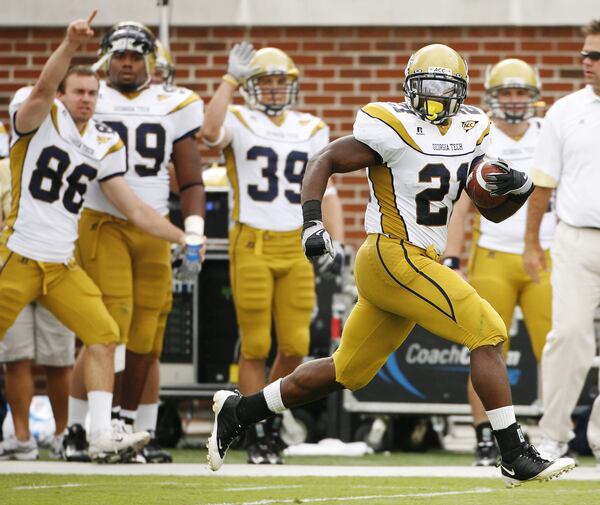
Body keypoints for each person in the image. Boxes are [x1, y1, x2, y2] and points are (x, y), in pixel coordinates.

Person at [207, 43, 576, 486]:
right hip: (392, 253)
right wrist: (311, 222)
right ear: (409, 87)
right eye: (428, 85)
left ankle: (239, 411)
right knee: (489, 329)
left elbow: (489, 209)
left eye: (445, 86)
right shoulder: (391, 125)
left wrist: (515, 191)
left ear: (460, 91)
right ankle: (514, 453)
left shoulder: (474, 129)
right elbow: (323, 159)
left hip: (415, 259)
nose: (436, 96)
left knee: (347, 371)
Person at [0, 11, 195, 463]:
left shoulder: (104, 143)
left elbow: (134, 209)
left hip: (61, 265)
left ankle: (101, 433)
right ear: (62, 95)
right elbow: (43, 89)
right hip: (19, 255)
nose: (86, 99)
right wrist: (69, 45)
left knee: (105, 334)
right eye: (79, 92)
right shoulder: (39, 117)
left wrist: (181, 237)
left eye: (92, 93)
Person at [62, 21, 205, 463]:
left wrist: (195, 228)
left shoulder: (173, 103)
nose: (127, 62)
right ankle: (77, 429)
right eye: (120, 55)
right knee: (108, 327)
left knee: (147, 331)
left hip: (155, 225)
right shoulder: (88, 96)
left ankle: (124, 425)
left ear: (151, 60)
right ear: (107, 59)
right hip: (102, 221)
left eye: (135, 55)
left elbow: (191, 175)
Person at [201, 42, 344, 464]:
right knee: (256, 343)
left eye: (282, 81)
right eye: (266, 82)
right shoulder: (239, 118)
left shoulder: (311, 126)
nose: (276, 89)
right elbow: (209, 134)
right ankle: (254, 433)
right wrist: (229, 80)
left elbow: (328, 187)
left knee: (297, 344)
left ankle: (268, 417)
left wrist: (337, 237)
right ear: (251, 88)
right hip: (252, 241)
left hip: (296, 243)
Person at [445, 59, 556, 466]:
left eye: (520, 92)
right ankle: (482, 437)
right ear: (493, 96)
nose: (513, 100)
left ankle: (554, 434)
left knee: (555, 349)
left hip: (545, 254)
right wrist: (453, 258)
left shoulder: (549, 132)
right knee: (486, 347)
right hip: (491, 254)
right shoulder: (481, 135)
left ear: (533, 96)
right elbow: (459, 206)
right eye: (506, 92)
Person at [524, 18, 600, 464]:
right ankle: (552, 436)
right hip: (574, 238)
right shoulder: (564, 111)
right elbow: (542, 185)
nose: (585, 62)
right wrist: (532, 243)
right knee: (568, 337)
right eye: (585, 54)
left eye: (595, 56)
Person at [0, 157, 75, 461]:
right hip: (12, 269)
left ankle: (62, 434)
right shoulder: (6, 167)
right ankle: (21, 437)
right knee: (16, 358)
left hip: (57, 268)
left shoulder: (71, 159)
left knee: (59, 360)